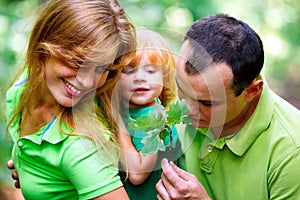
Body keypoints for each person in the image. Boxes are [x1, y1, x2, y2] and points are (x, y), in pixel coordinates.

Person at [156, 13, 300, 199]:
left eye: (206, 103)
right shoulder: (177, 106)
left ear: (252, 92)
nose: (186, 110)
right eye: (181, 89)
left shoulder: (291, 153)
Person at [6, 0, 136, 199]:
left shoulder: (81, 145)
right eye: (77, 62)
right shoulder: (22, 89)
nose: (86, 82)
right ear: (44, 47)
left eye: (101, 68)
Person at [115, 29, 182, 200]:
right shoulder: (125, 113)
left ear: (164, 77)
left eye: (151, 71)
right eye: (129, 70)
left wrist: (116, 122)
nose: (140, 77)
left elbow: (137, 174)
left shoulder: (158, 119)